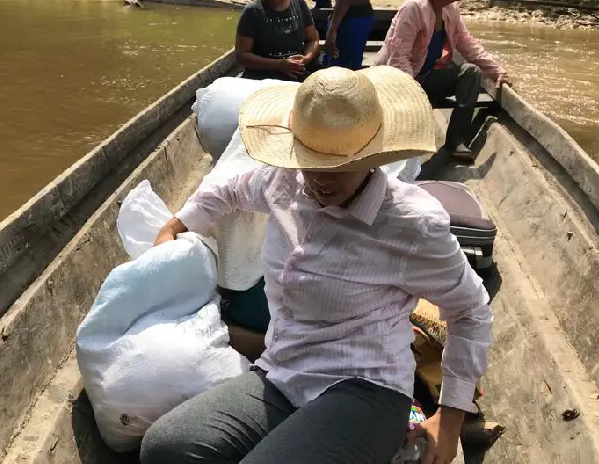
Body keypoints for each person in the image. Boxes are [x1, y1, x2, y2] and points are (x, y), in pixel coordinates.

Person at [140, 66, 493, 464]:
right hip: (284, 371)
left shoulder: (410, 223)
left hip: (366, 387)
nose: (321, 178)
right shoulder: (285, 182)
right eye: (310, 160)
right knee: (165, 448)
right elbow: (232, 188)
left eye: (340, 165)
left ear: (371, 156)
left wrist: (448, 419)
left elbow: (470, 311)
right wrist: (176, 224)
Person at [375, 0, 509, 162]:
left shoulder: (450, 9)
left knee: (471, 72)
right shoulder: (413, 9)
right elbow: (399, 57)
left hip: (426, 76)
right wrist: (413, 96)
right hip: (398, 81)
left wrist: (496, 70)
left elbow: (466, 43)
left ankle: (455, 141)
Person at [235, 0, 321, 82]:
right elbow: (242, 55)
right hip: (264, 77)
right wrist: (278, 65)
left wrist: (306, 58)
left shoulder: (299, 3)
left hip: (298, 72)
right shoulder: (252, 11)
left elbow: (312, 39)